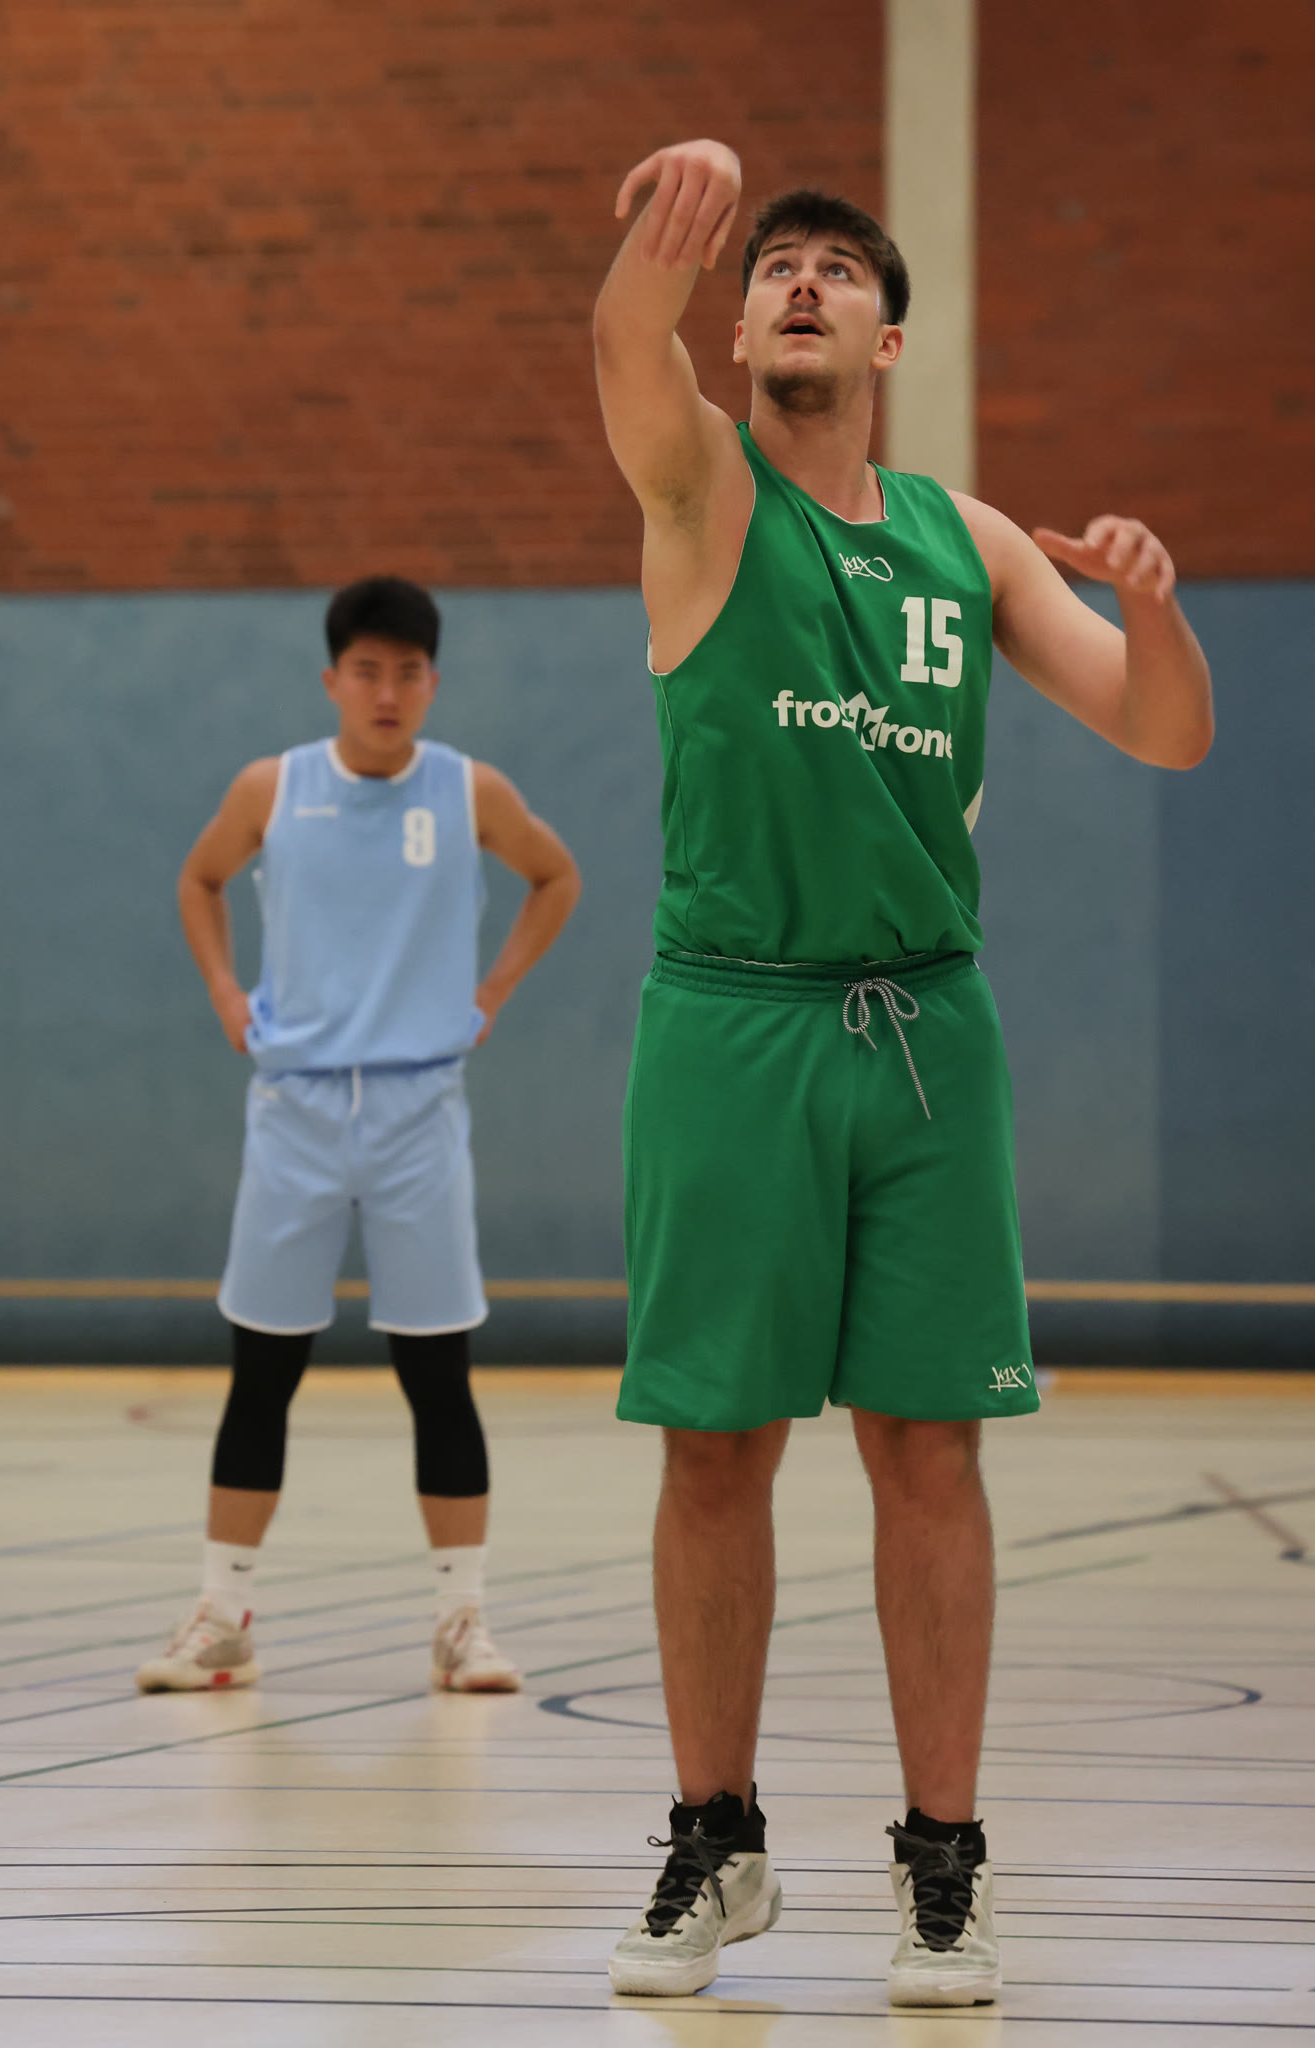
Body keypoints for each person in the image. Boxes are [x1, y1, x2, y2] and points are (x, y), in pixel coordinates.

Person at [592, 140, 1212, 2005]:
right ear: (740, 325)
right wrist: (672, 230)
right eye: (772, 266)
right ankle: (715, 1840)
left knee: (928, 1445)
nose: (799, 281)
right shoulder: (700, 484)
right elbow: (624, 343)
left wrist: (1161, 610)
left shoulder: (971, 540)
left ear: (889, 337)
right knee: (715, 1443)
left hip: (927, 1030)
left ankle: (945, 1869)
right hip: (732, 1020)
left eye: (836, 270)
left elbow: (1162, 730)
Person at [136, 576, 580, 1699]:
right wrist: (225, 990)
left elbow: (555, 875)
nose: (388, 692)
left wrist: (493, 990)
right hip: (294, 1111)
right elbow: (198, 879)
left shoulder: (469, 789)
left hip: (417, 1111)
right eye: (368, 671)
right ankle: (222, 1615)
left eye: (409, 672)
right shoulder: (272, 788)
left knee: (438, 1369)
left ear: (434, 682)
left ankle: (461, 1620)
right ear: (332, 679)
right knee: (263, 1367)